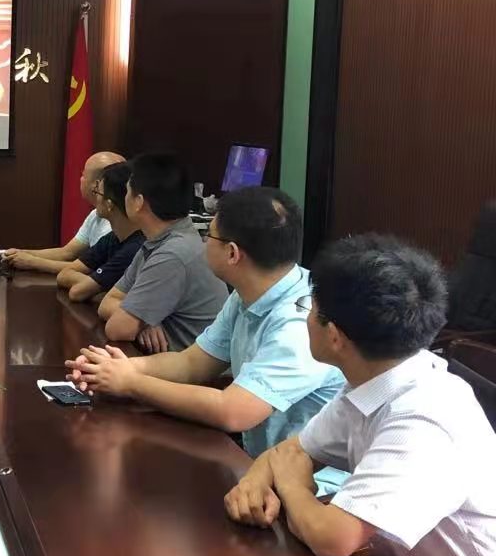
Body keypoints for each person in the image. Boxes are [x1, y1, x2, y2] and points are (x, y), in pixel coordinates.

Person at [225, 235, 496, 556]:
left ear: (334, 336)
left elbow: (334, 538)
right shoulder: (377, 379)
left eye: (309, 308)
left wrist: (291, 486)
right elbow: (292, 451)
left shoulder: (422, 417)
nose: (305, 317)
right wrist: (253, 484)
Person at [67, 187, 347, 480]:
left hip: (314, 491)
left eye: (209, 235)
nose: (202, 243)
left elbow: (233, 411)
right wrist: (118, 368)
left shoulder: (298, 324)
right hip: (258, 469)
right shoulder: (248, 292)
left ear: (232, 253)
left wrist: (131, 383)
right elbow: (192, 363)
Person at [95, 152, 227, 351]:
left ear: (139, 202)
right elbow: (107, 302)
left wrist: (138, 320)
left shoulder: (173, 254)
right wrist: (146, 321)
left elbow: (117, 329)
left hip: (189, 367)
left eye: (127, 192)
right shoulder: (156, 241)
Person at [0, 151, 125, 274]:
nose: (80, 179)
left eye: (83, 175)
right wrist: (21, 254)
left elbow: (93, 270)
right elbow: (67, 253)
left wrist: (32, 262)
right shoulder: (96, 215)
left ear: (97, 184)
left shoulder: (115, 225)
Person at [54, 161, 144, 303]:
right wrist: (99, 287)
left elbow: (77, 292)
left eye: (97, 193)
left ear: (109, 204)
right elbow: (64, 274)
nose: (95, 198)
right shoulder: (113, 237)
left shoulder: (136, 247)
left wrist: (94, 286)